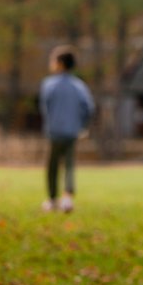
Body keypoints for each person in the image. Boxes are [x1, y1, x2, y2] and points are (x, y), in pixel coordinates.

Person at [39, 45, 95, 213]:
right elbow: (88, 107)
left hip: (54, 131)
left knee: (52, 166)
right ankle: (67, 198)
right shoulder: (79, 86)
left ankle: (52, 199)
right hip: (72, 131)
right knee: (69, 165)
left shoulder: (49, 84)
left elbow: (45, 107)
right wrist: (83, 126)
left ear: (60, 64)